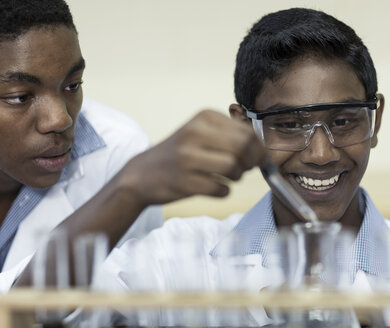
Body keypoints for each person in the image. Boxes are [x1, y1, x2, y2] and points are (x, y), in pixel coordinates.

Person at [94, 7, 390, 327]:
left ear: (375, 121)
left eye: (344, 121)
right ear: (244, 127)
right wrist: (127, 188)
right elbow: (45, 313)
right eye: (289, 125)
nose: (320, 153)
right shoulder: (177, 261)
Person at [0, 0, 265, 290]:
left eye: (72, 85)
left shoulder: (120, 153)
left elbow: (110, 309)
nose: (60, 119)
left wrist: (127, 189)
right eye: (20, 96)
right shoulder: (129, 175)